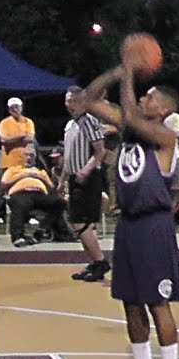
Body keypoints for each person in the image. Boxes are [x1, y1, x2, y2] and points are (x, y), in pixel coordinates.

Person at [81, 51, 179, 359]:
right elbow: (87, 101)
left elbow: (127, 111)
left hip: (154, 225)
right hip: (128, 223)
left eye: (150, 97)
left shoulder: (165, 136)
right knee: (130, 300)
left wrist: (128, 74)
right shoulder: (130, 127)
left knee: (158, 303)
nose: (144, 98)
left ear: (164, 110)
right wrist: (114, 72)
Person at [63, 86, 110, 281]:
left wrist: (86, 170)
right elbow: (68, 155)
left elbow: (100, 150)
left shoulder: (90, 122)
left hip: (88, 179)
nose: (70, 105)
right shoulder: (70, 125)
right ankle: (94, 261)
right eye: (68, 101)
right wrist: (62, 180)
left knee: (81, 223)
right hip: (74, 177)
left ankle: (100, 261)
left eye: (74, 101)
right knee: (79, 222)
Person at [0, 143, 60, 248]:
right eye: (26, 155)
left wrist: (40, 177)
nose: (28, 158)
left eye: (31, 155)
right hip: (20, 192)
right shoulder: (13, 170)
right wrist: (23, 175)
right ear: (21, 157)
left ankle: (41, 230)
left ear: (35, 158)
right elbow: (4, 183)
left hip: (39, 194)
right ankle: (18, 237)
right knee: (21, 203)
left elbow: (51, 187)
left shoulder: (41, 172)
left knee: (60, 202)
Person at [0, 97, 35, 170]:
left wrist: (10, 141)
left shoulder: (28, 122)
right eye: (12, 108)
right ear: (9, 109)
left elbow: (30, 139)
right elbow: (3, 141)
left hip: (24, 163)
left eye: (17, 107)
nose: (15, 109)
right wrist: (22, 136)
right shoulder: (4, 122)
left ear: (21, 108)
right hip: (8, 163)